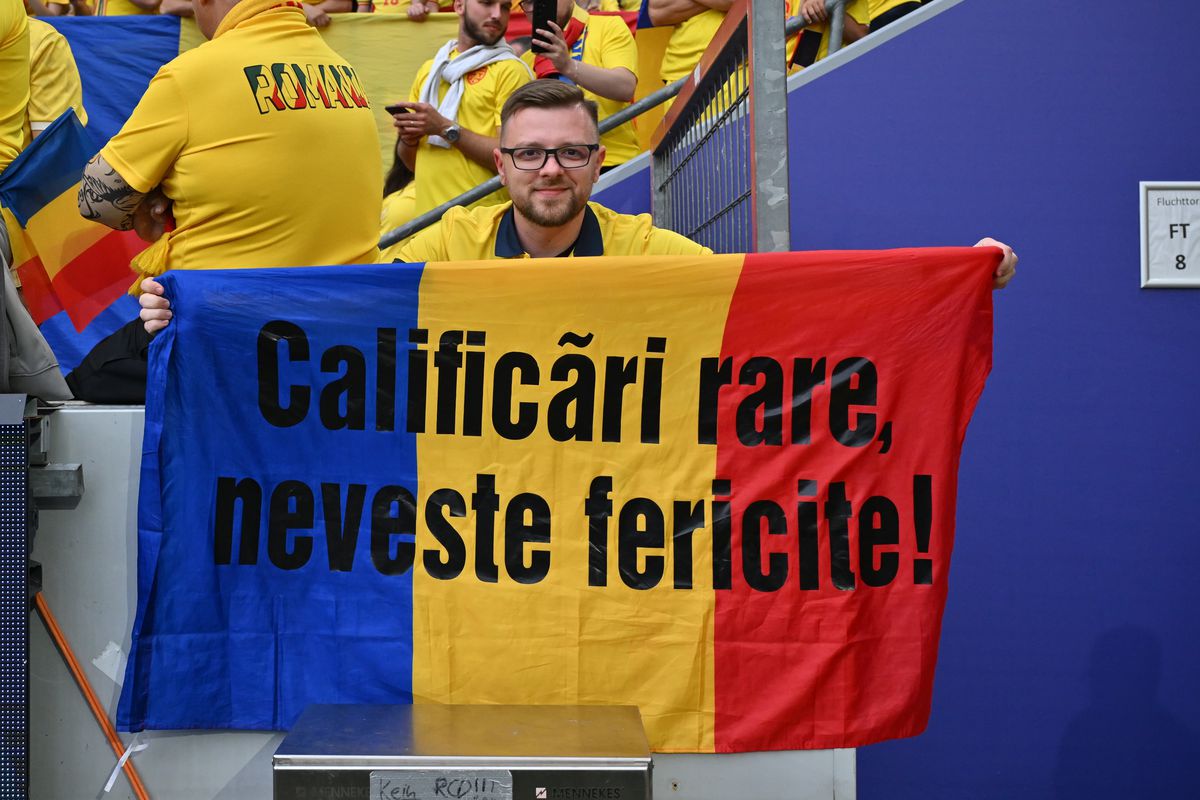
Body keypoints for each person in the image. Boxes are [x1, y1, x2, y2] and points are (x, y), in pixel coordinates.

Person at [76, 0, 382, 399]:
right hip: (343, 339)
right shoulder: (344, 72)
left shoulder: (194, 72)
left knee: (85, 383)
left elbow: (94, 200)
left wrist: (154, 199)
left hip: (226, 329)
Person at [392, 79, 710, 261]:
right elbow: (364, 300)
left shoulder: (643, 250)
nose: (551, 169)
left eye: (571, 152)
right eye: (530, 153)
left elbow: (745, 292)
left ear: (598, 164)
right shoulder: (450, 244)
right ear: (501, 166)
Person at [390, 0, 532, 218]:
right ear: (458, 6)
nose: (497, 14)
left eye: (504, 7)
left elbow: (515, 160)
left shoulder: (511, 71)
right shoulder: (431, 69)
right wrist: (409, 139)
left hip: (483, 224)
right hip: (428, 223)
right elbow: (413, 164)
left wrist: (445, 128)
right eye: (487, 3)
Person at [524, 0, 639, 169]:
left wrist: (569, 66)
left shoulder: (608, 26)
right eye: (527, 2)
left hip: (612, 161)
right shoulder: (527, 59)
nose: (537, 6)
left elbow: (625, 87)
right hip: (553, 167)